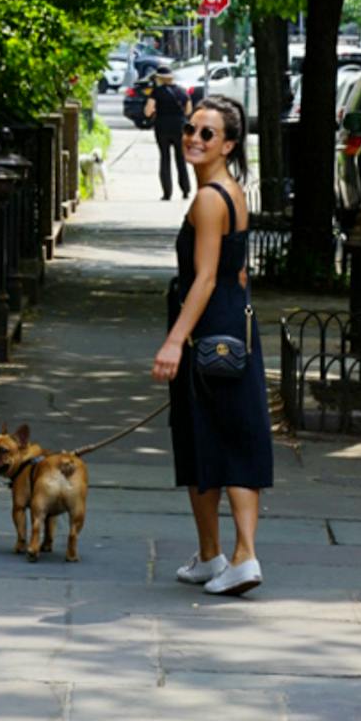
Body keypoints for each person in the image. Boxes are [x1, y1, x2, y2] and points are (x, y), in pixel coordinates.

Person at [152, 95, 272, 595]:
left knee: (211, 437)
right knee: (227, 436)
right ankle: (213, 555)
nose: (193, 139)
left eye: (207, 133)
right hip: (235, 326)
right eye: (190, 129)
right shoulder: (231, 191)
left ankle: (241, 556)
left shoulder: (207, 198)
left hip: (208, 331)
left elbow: (203, 279)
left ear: (228, 143)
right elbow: (235, 270)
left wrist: (174, 341)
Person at [146, 67, 190, 200]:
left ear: (159, 78)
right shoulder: (183, 91)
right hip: (179, 127)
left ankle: (167, 193)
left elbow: (148, 111)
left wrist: (154, 113)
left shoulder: (156, 92)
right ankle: (185, 190)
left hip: (162, 127)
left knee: (165, 158)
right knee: (181, 159)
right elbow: (188, 110)